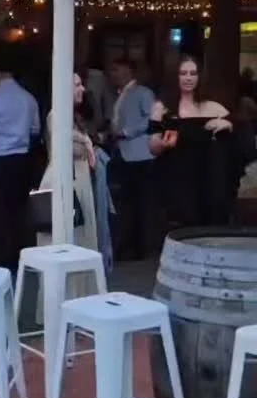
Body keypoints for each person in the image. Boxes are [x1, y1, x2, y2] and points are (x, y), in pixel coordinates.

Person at [149, 54, 237, 227]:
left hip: (208, 181)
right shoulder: (162, 108)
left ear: (199, 77)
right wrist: (162, 144)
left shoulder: (214, 107)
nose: (188, 78)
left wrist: (228, 124)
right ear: (175, 77)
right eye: (183, 73)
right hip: (175, 180)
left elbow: (238, 139)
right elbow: (152, 147)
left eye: (193, 73)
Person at [0, 50, 41, 273]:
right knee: (19, 208)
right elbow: (35, 130)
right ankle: (19, 254)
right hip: (22, 159)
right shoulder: (28, 98)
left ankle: (0, 257)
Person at [39, 72, 99, 252]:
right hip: (65, 179)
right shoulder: (56, 115)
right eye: (77, 85)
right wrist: (87, 143)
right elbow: (69, 146)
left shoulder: (74, 116)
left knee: (81, 235)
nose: (83, 89)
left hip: (79, 179)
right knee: (66, 235)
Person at [109, 56, 156, 261]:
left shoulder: (143, 93)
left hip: (140, 155)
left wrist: (126, 132)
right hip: (123, 153)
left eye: (117, 70)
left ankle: (141, 247)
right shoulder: (119, 94)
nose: (113, 74)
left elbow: (150, 120)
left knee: (140, 202)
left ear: (128, 71)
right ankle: (127, 243)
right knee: (126, 202)